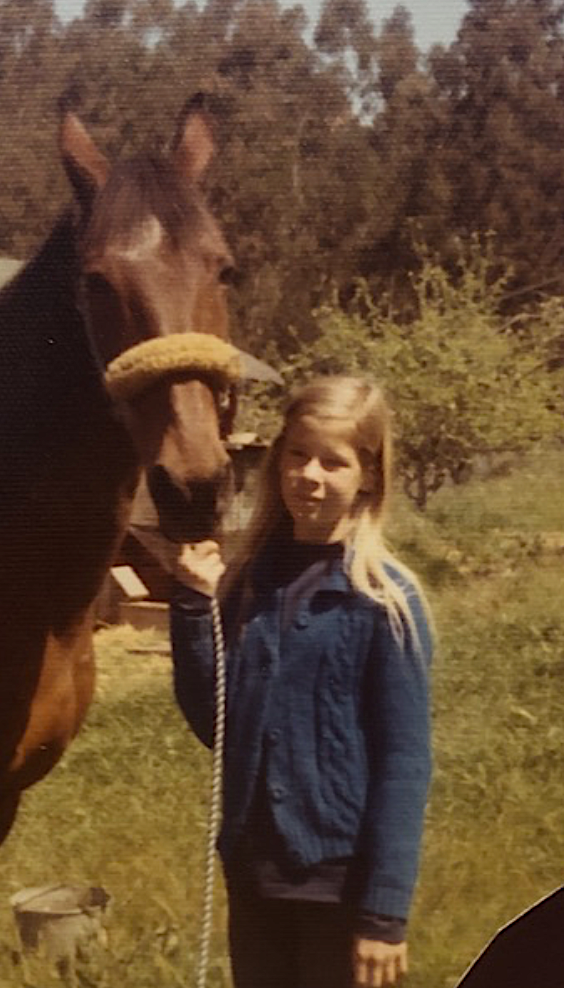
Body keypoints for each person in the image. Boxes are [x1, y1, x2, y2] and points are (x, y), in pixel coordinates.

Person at [157, 375, 434, 988]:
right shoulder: (250, 583)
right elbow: (217, 724)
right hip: (254, 874)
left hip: (338, 884)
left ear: (369, 476)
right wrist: (193, 607)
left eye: (333, 462)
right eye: (297, 454)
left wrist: (385, 913)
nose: (309, 475)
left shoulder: (384, 600)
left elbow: (405, 764)